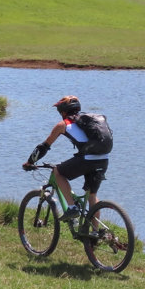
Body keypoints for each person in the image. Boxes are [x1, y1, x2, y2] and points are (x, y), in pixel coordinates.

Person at [22, 95, 109, 224]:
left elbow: (44, 147)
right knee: (92, 195)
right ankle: (94, 235)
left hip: (87, 159)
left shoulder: (63, 125)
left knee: (58, 172)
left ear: (63, 111)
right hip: (103, 158)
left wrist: (30, 162)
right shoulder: (87, 122)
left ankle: (72, 207)